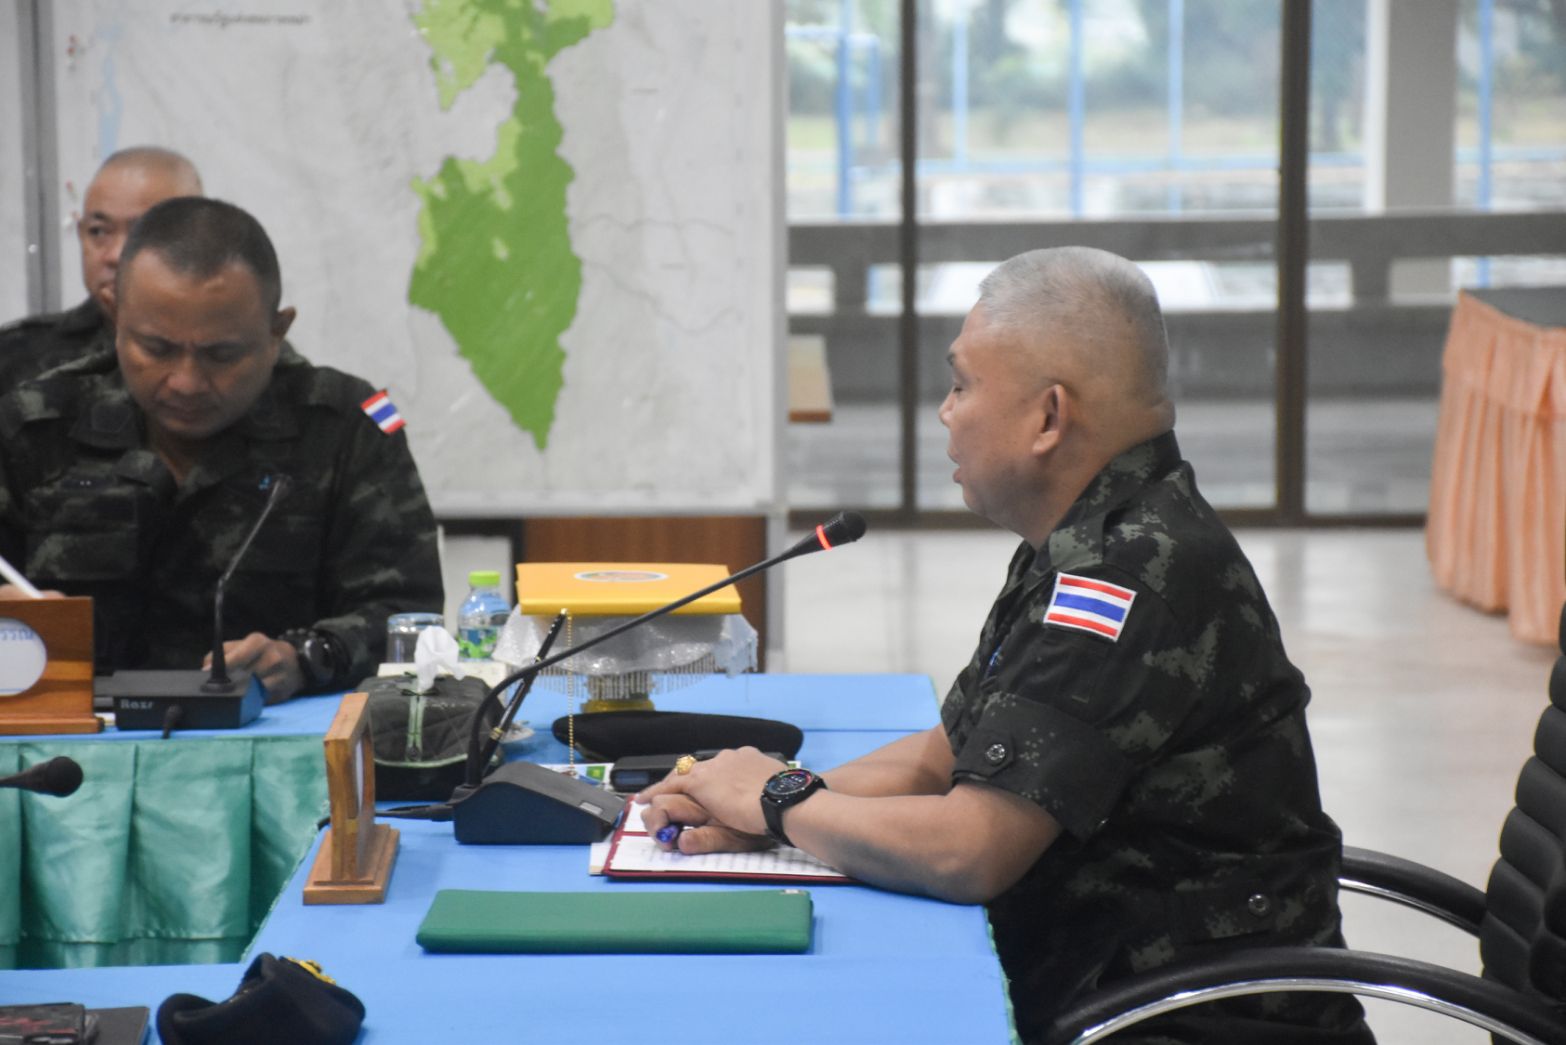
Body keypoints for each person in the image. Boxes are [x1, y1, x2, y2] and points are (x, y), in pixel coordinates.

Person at [639, 247, 1374, 1043]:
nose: (945, 412)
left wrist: (782, 802)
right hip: (1113, 985)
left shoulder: (1126, 576)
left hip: (1187, 1020)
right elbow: (944, 756)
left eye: (962, 385)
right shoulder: (1090, 537)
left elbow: (970, 850)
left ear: (1049, 417)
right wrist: (767, 805)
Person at [0, 197, 443, 703]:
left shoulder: (343, 429)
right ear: (117, 317)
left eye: (221, 355)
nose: (186, 382)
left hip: (283, 739)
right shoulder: (35, 427)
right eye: (157, 349)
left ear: (276, 332)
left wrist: (307, 657)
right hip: (73, 741)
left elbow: (411, 617)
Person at [0, 147, 204, 392]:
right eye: (98, 231)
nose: (116, 255)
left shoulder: (234, 355)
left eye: (143, 232)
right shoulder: (14, 354)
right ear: (81, 235)